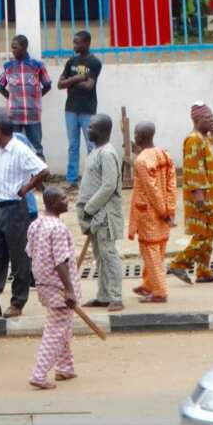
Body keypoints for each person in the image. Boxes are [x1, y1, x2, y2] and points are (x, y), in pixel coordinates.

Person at [0, 117, 49, 319]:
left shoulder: (20, 149)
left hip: (14, 209)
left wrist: (26, 188)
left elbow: (44, 170)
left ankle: (17, 302)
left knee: (19, 257)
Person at [168, 103, 213, 285]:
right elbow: (193, 169)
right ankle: (178, 263)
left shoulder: (207, 138)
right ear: (197, 121)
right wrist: (199, 196)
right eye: (208, 119)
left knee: (210, 232)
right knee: (204, 233)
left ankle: (204, 271)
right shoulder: (193, 140)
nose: (212, 121)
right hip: (202, 196)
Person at [26, 187, 82, 390]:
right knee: (56, 330)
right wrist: (69, 290)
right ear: (53, 203)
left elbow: (30, 252)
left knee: (62, 326)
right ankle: (39, 374)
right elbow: (61, 262)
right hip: (58, 286)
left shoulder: (36, 225)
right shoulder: (57, 228)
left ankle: (65, 367)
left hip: (43, 283)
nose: (68, 201)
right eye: (63, 198)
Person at [77, 114, 125, 312]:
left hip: (103, 215)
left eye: (92, 127)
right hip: (94, 216)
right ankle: (103, 295)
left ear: (103, 130)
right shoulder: (95, 152)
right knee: (99, 256)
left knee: (108, 254)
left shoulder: (107, 154)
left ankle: (116, 297)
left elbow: (108, 186)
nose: (88, 130)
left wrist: (89, 208)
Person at [128, 122, 177, 304]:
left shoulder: (141, 160)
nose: (134, 136)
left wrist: (163, 212)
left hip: (150, 213)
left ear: (140, 136)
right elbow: (172, 184)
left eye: (135, 133)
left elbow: (152, 189)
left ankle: (159, 291)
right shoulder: (164, 154)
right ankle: (148, 284)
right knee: (158, 249)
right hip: (163, 211)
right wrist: (170, 209)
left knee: (150, 250)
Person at [57, 31, 102, 189]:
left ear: (87, 43)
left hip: (87, 110)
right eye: (74, 42)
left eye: (77, 42)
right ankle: (72, 181)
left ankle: (91, 181)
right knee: (73, 146)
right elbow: (59, 84)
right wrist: (78, 78)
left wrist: (70, 81)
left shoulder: (94, 62)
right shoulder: (71, 61)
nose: (74, 45)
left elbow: (89, 86)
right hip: (70, 109)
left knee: (91, 146)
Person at [0, 35, 52, 159]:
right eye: (12, 48)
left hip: (33, 115)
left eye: (15, 47)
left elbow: (47, 85)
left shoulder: (37, 65)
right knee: (13, 146)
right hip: (14, 115)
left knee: (36, 146)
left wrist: (36, 97)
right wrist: (10, 98)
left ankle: (39, 175)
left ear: (24, 47)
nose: (13, 50)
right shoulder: (8, 66)